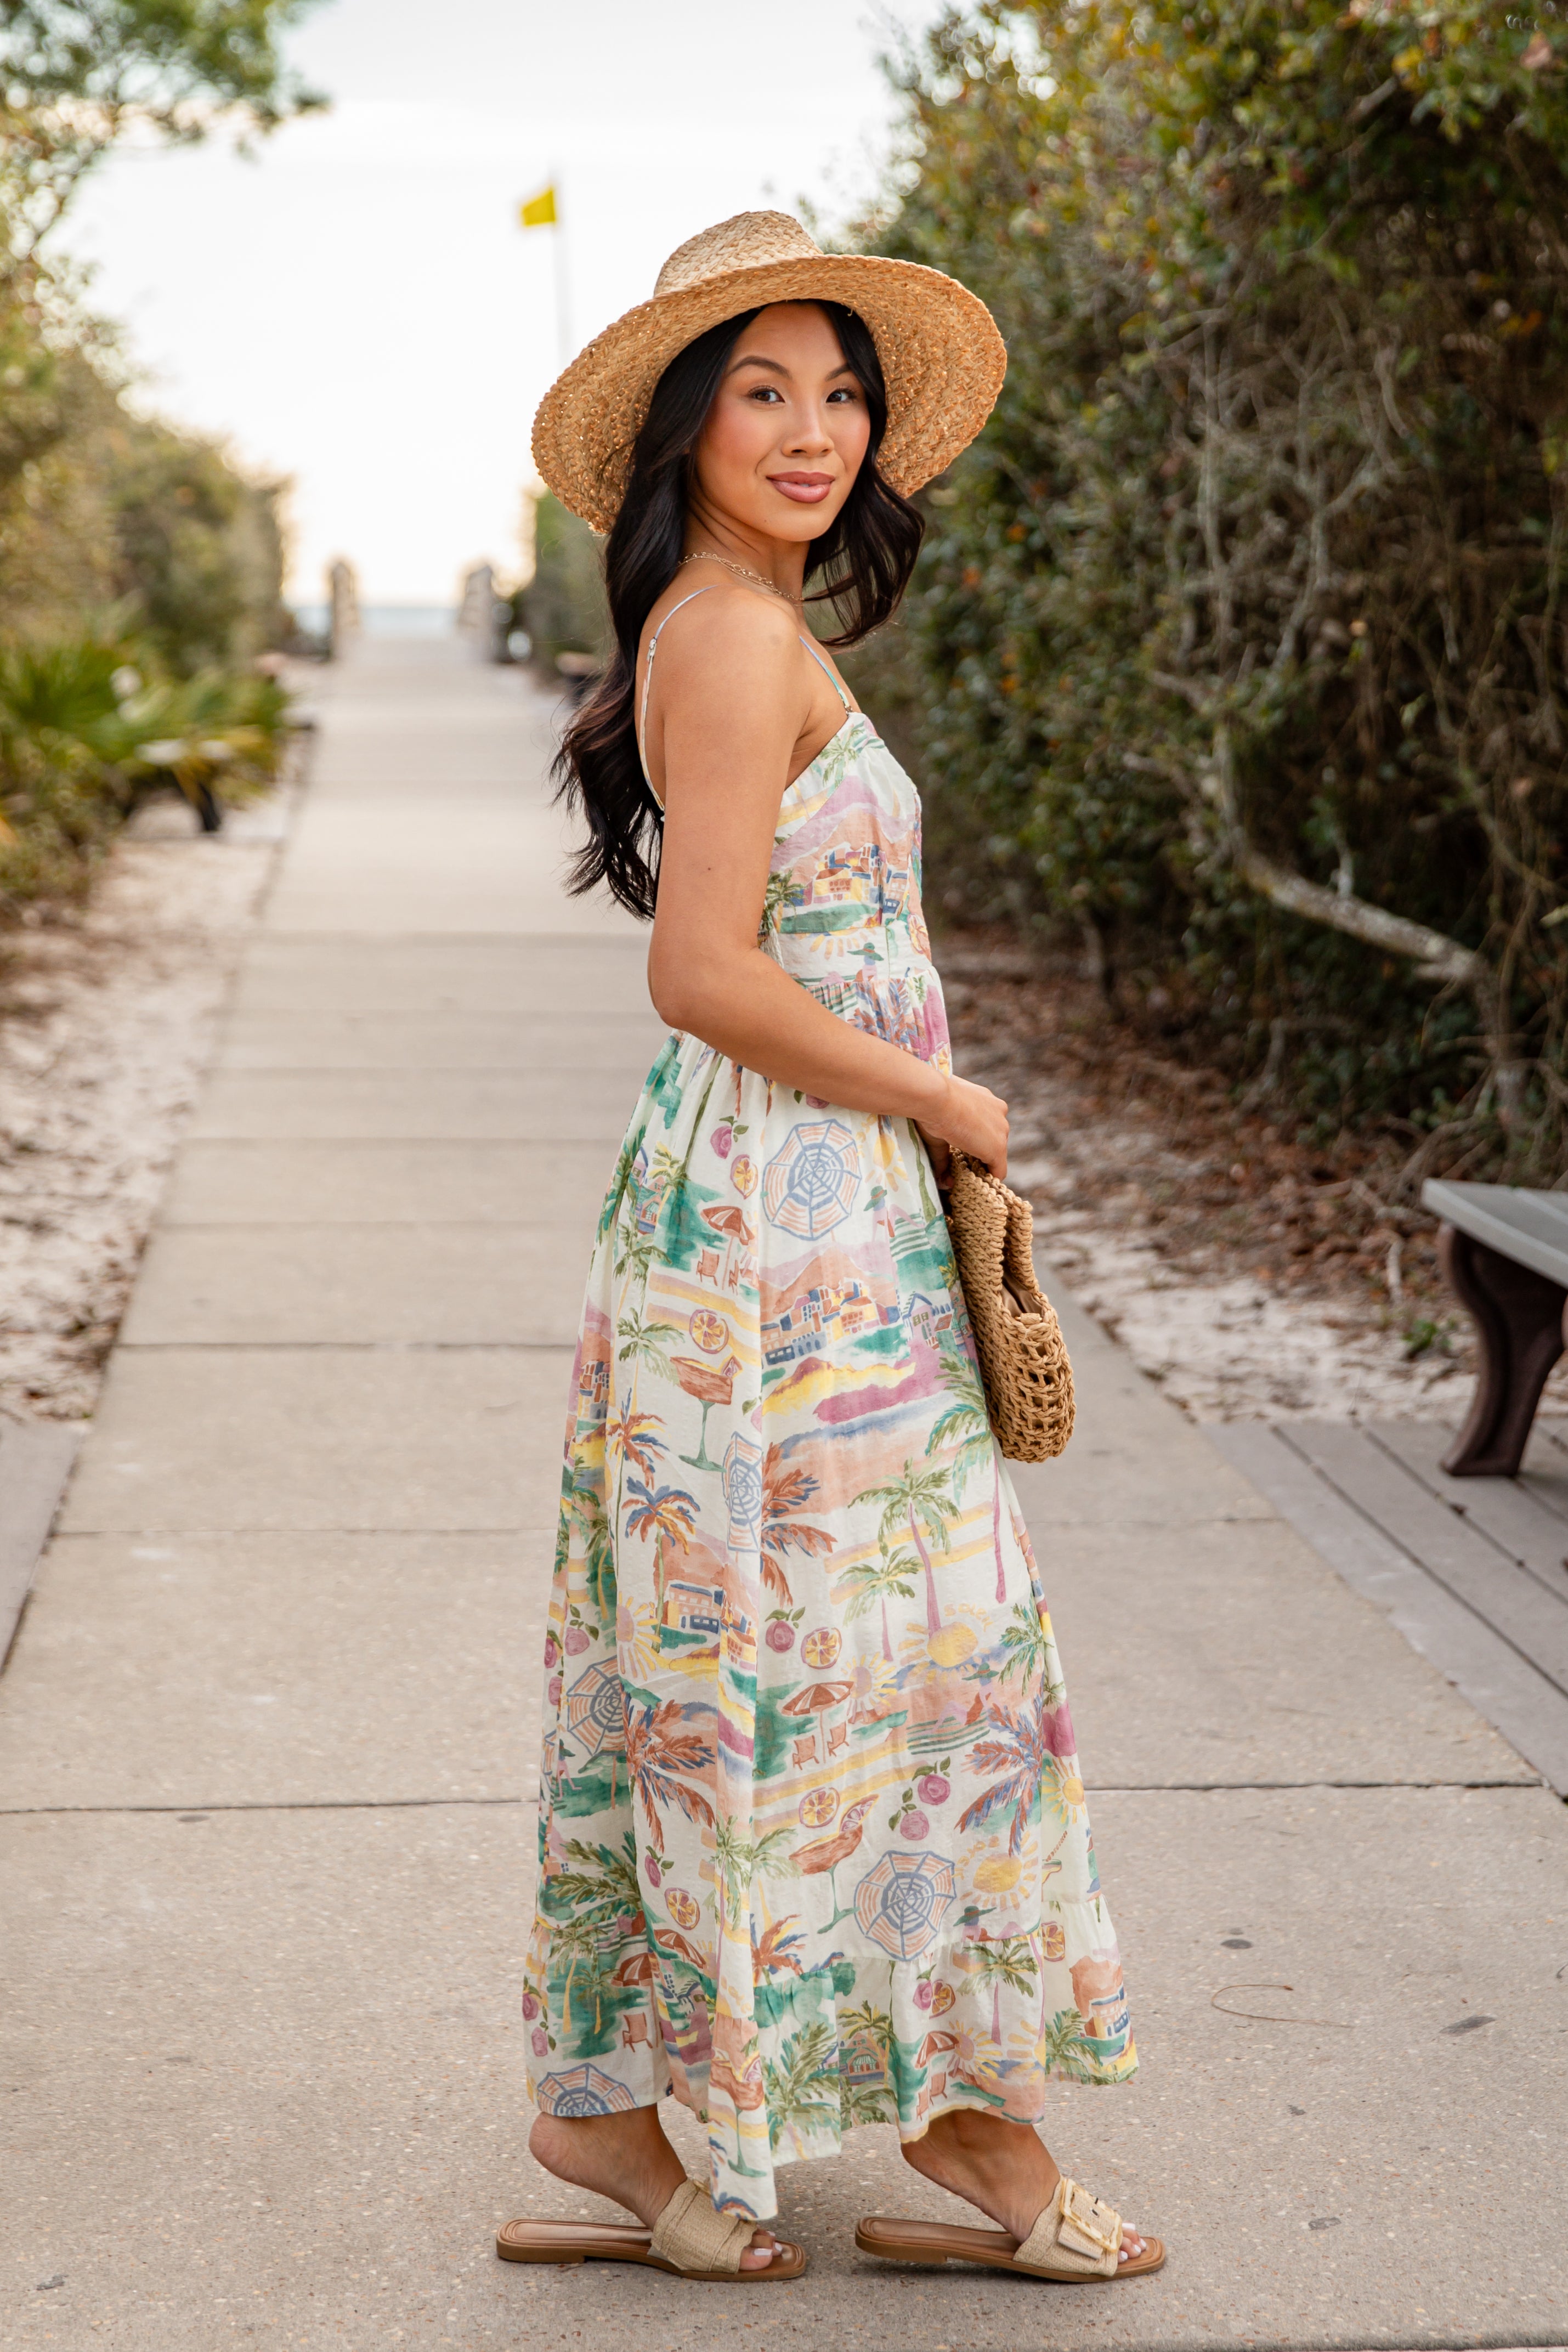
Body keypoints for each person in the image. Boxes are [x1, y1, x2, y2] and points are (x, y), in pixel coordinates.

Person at [500, 212, 1161, 2289]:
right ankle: (819, 2123)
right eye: (760, 391)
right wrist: (941, 1099)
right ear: (687, 430)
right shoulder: (724, 633)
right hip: (780, 1232)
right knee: (841, 1648)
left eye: (839, 390)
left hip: (817, 1224)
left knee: (830, 1654)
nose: (808, 428)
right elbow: (698, 972)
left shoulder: (757, 629)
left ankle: (682, 2116)